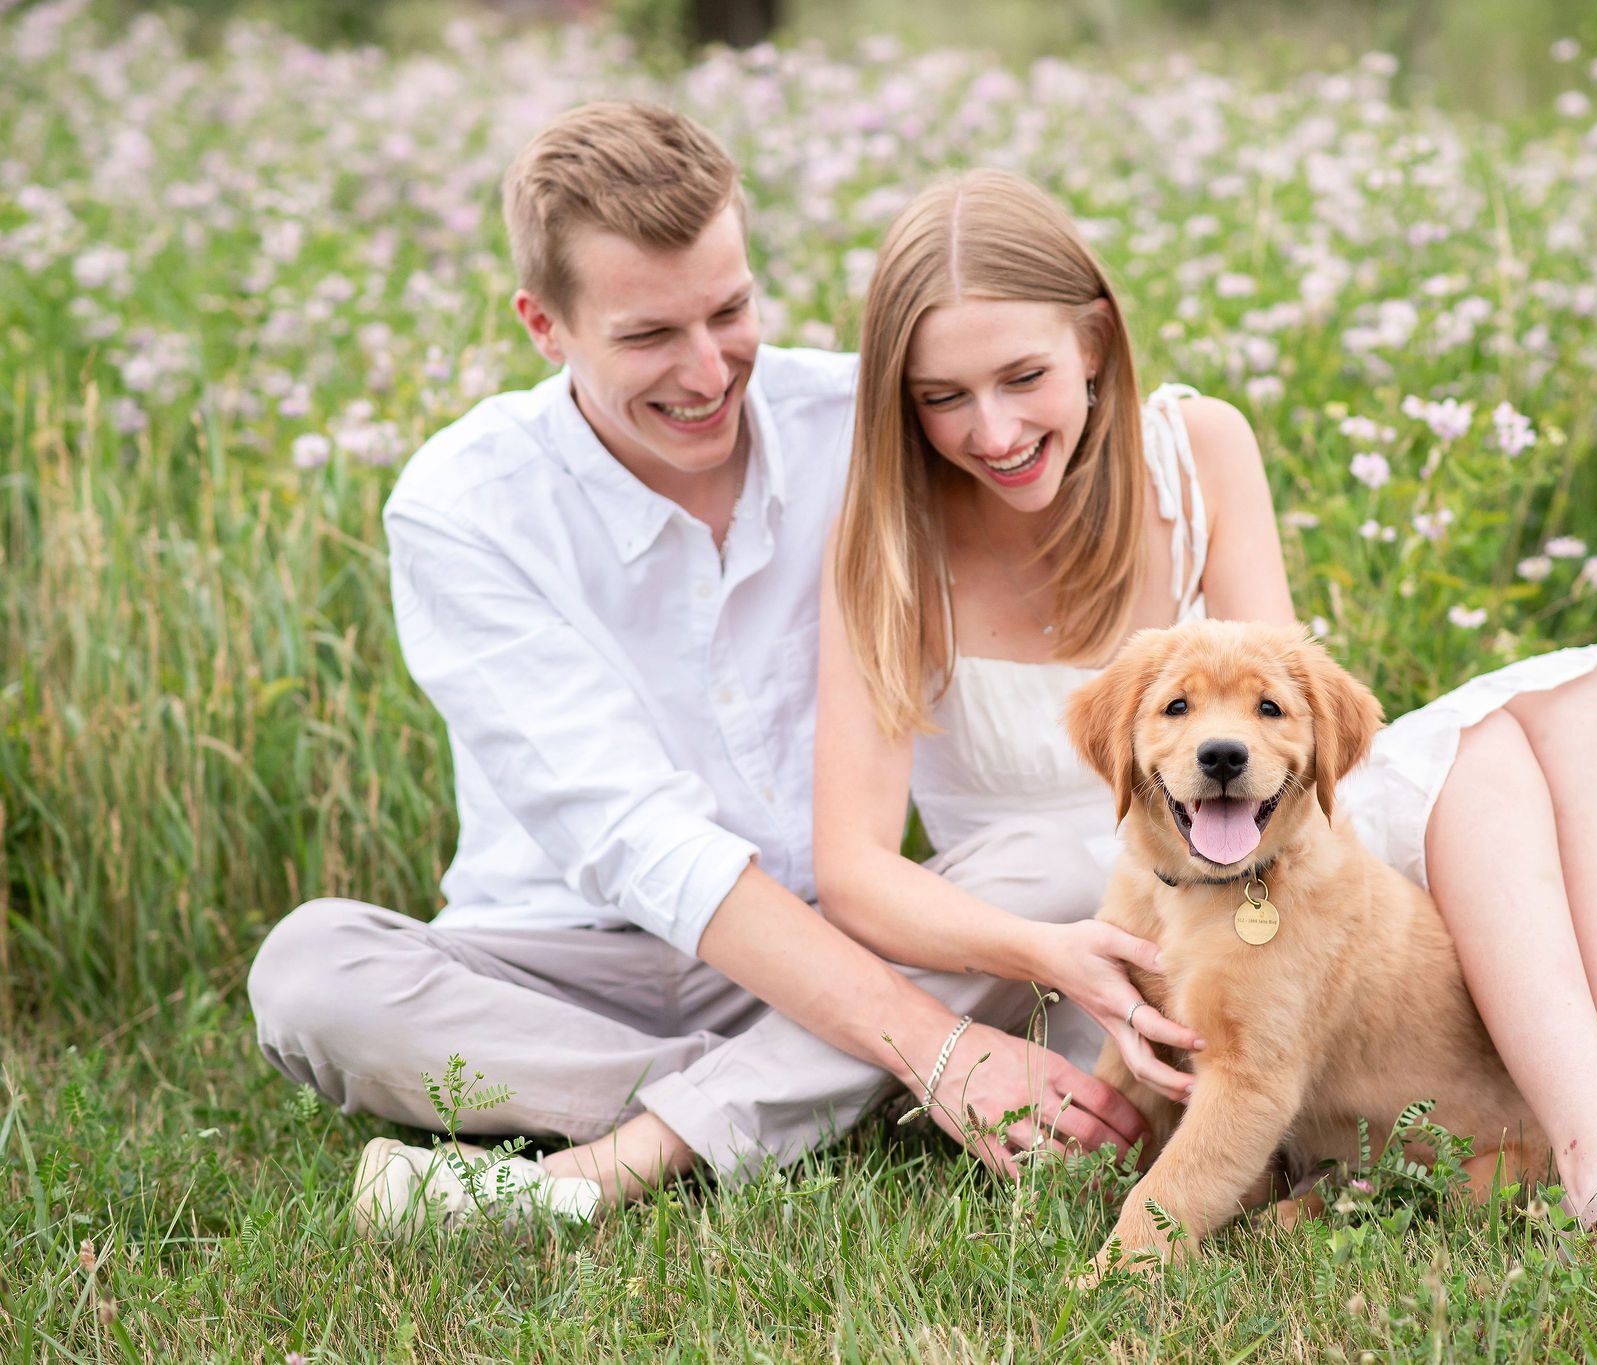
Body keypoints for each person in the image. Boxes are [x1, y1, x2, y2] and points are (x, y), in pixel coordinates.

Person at [811, 168, 1597, 1298]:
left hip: (1278, 867)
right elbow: (854, 872)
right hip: (1090, 931)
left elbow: (1280, 701)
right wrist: (1053, 958)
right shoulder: (886, 543)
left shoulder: (1197, 444)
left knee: (1555, 703)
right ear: (895, 398)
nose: (995, 429)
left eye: (1024, 377)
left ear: (1097, 342)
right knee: (1483, 752)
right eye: (941, 397)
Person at [244, 103, 1149, 1231]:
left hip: (846, 931)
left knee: (1040, 869)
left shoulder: (859, 423)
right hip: (566, 966)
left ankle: (643, 1149)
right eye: (648, 336)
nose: (707, 369)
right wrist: (930, 1040)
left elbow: (1038, 450)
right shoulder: (463, 505)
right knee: (310, 976)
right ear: (544, 325)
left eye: (729, 311)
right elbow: (636, 840)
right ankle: (844, 1091)